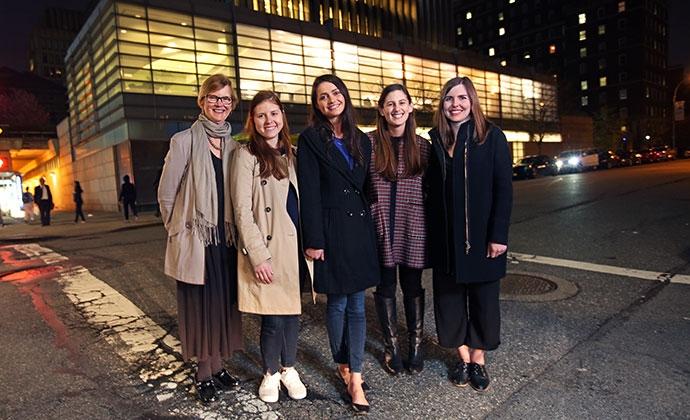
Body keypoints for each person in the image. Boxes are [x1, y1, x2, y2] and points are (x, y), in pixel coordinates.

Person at [157, 73, 243, 403]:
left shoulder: (234, 145)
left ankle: (218, 365)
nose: (220, 104)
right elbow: (166, 193)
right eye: (214, 97)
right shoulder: (184, 140)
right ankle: (203, 372)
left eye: (226, 99)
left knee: (223, 307)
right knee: (200, 309)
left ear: (232, 105)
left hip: (226, 239)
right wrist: (178, 231)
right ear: (202, 101)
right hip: (197, 240)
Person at [298, 74, 379, 414]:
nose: (330, 100)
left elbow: (367, 186)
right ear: (316, 105)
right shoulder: (310, 139)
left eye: (334, 93)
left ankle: (355, 376)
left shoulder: (363, 139)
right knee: (337, 304)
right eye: (322, 97)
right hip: (330, 230)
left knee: (358, 305)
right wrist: (313, 239)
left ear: (344, 95)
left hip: (359, 229)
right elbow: (310, 191)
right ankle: (342, 362)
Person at [426, 77, 512, 392]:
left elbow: (504, 189)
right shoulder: (435, 139)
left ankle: (478, 361)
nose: (455, 104)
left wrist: (498, 234)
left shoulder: (490, 136)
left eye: (462, 98)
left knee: (483, 304)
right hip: (446, 241)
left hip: (481, 240)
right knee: (449, 304)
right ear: (442, 104)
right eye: (449, 98)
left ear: (472, 101)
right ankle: (461, 357)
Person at [231, 91, 313, 403]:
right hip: (268, 246)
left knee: (292, 312)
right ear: (253, 120)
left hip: (294, 244)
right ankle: (270, 371)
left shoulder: (292, 153)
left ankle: (289, 368)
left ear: (282, 117)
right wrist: (258, 256)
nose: (269, 121)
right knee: (272, 316)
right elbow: (242, 211)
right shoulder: (246, 154)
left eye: (274, 114)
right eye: (262, 115)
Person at [366, 84, 430, 375]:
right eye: (390, 104)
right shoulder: (368, 144)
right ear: (381, 109)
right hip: (380, 225)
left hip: (413, 224)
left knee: (413, 285)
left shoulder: (423, 145)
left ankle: (416, 344)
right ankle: (392, 346)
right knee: (386, 286)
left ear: (410, 106)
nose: (396, 109)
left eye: (402, 102)